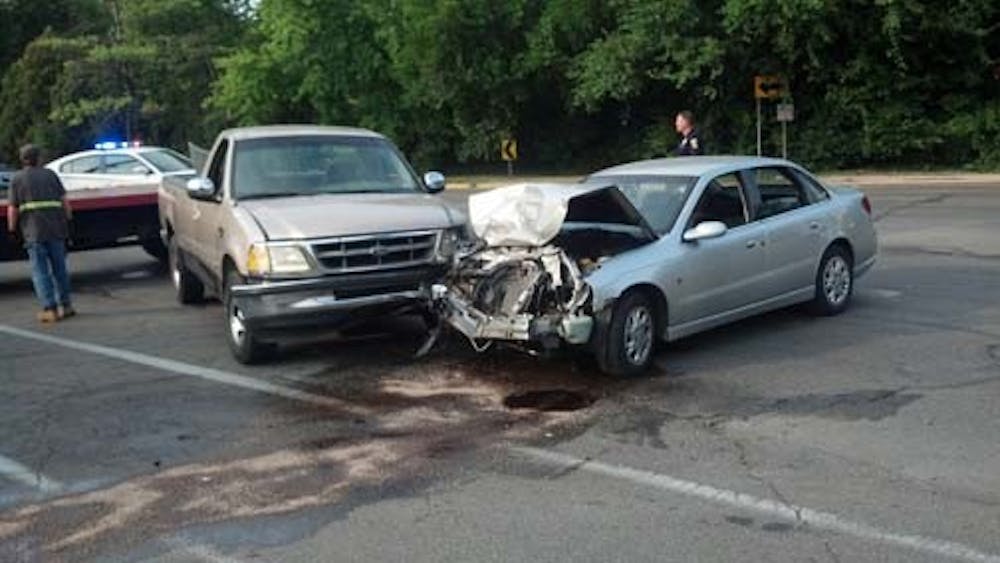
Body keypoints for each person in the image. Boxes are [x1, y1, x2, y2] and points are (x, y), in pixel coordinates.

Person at [7, 144, 75, 323]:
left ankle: (49, 309)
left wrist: (12, 229)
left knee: (40, 272)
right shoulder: (50, 175)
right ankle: (66, 306)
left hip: (33, 232)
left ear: (23, 159)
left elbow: (13, 208)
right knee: (60, 269)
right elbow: (65, 203)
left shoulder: (18, 179)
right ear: (39, 157)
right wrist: (68, 221)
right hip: (56, 230)